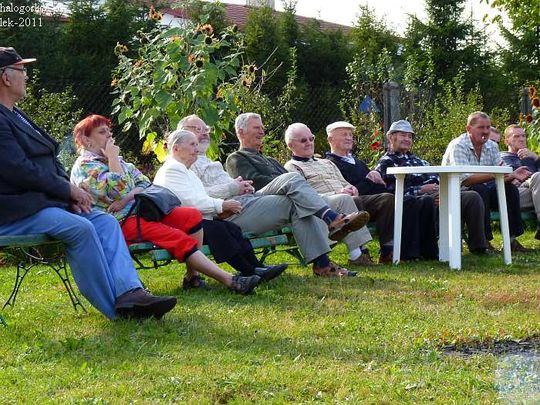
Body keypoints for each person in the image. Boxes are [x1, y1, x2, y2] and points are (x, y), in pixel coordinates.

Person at [0, 46, 176, 320]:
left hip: (42, 203)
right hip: (16, 210)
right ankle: (117, 310)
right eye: (22, 70)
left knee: (105, 222)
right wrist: (66, 189)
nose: (26, 76)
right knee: (80, 228)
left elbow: (47, 162)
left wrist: (70, 194)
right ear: (5, 77)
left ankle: (131, 293)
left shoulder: (16, 114)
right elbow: (18, 170)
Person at [70, 114, 263, 294]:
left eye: (109, 131)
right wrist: (114, 161)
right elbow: (119, 188)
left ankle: (192, 276)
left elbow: (145, 183)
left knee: (191, 215)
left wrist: (126, 198)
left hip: (140, 211)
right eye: (102, 132)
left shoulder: (119, 161)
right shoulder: (85, 166)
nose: (109, 136)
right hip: (118, 222)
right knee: (177, 237)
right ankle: (231, 280)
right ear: (86, 140)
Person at [157, 127, 367, 277]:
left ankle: (331, 224)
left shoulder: (191, 168)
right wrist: (227, 196)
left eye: (203, 134)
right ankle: (324, 257)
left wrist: (240, 186)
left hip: (243, 199)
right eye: (192, 142)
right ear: (176, 148)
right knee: (296, 202)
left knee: (291, 180)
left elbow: (203, 194)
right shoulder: (176, 169)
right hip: (229, 211)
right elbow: (192, 200)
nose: (198, 144)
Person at [376, 119, 489, 255]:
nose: (407, 139)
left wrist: (444, 191)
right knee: (429, 201)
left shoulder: (420, 161)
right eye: (403, 135)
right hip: (416, 200)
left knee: (472, 196)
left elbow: (438, 178)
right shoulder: (386, 162)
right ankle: (430, 250)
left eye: (410, 136)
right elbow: (393, 192)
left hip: (439, 194)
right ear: (391, 137)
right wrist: (421, 190)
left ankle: (479, 247)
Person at [283, 122, 387, 265]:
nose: (309, 143)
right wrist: (338, 192)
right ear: (291, 145)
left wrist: (351, 188)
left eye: (311, 138)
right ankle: (357, 255)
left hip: (344, 198)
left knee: (381, 198)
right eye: (303, 140)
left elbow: (344, 183)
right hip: (322, 203)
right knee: (345, 199)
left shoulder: (327, 163)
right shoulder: (292, 166)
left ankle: (377, 251)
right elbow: (304, 193)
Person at [442, 111, 532, 252]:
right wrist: (495, 174)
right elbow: (465, 179)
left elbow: (501, 173)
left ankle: (511, 240)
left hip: (481, 190)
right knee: (479, 189)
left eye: (488, 127)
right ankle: (484, 241)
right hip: (457, 193)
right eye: (481, 127)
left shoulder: (491, 146)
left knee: (509, 189)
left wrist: (513, 174)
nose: (485, 131)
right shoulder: (458, 145)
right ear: (469, 129)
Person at [324, 121, 398, 263]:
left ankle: (389, 251)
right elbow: (351, 190)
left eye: (350, 135)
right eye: (344, 134)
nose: (349, 138)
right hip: (348, 204)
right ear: (330, 139)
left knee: (391, 199)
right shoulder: (330, 163)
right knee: (379, 199)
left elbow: (370, 186)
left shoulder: (358, 162)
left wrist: (375, 179)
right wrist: (368, 181)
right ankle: (366, 252)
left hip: (367, 203)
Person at [501, 124, 540, 240]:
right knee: (537, 176)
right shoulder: (502, 157)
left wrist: (536, 157)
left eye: (523, 136)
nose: (522, 139)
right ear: (506, 141)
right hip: (515, 195)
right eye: (516, 136)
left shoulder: (531, 157)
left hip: (535, 193)